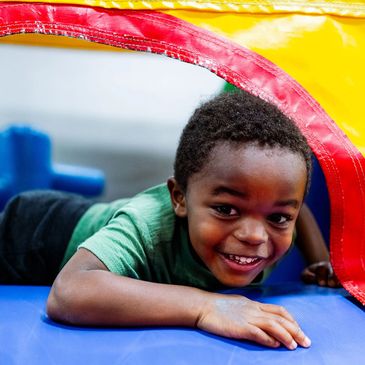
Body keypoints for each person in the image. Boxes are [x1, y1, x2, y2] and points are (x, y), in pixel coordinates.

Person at [0, 90, 339, 350]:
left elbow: (302, 212)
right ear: (180, 198)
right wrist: (205, 306)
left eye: (279, 216)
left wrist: (320, 260)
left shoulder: (276, 225)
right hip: (32, 235)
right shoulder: (149, 223)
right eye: (226, 209)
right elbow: (70, 291)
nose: (254, 235)